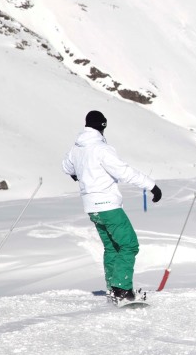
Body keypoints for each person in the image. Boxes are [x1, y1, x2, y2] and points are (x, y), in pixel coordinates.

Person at [62, 111, 162, 303]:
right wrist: (151, 186)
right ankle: (122, 290)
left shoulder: (77, 148)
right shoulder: (101, 149)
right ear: (103, 126)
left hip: (92, 207)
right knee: (129, 244)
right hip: (108, 205)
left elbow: (66, 166)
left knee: (112, 247)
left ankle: (112, 289)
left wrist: (77, 174)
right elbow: (123, 172)